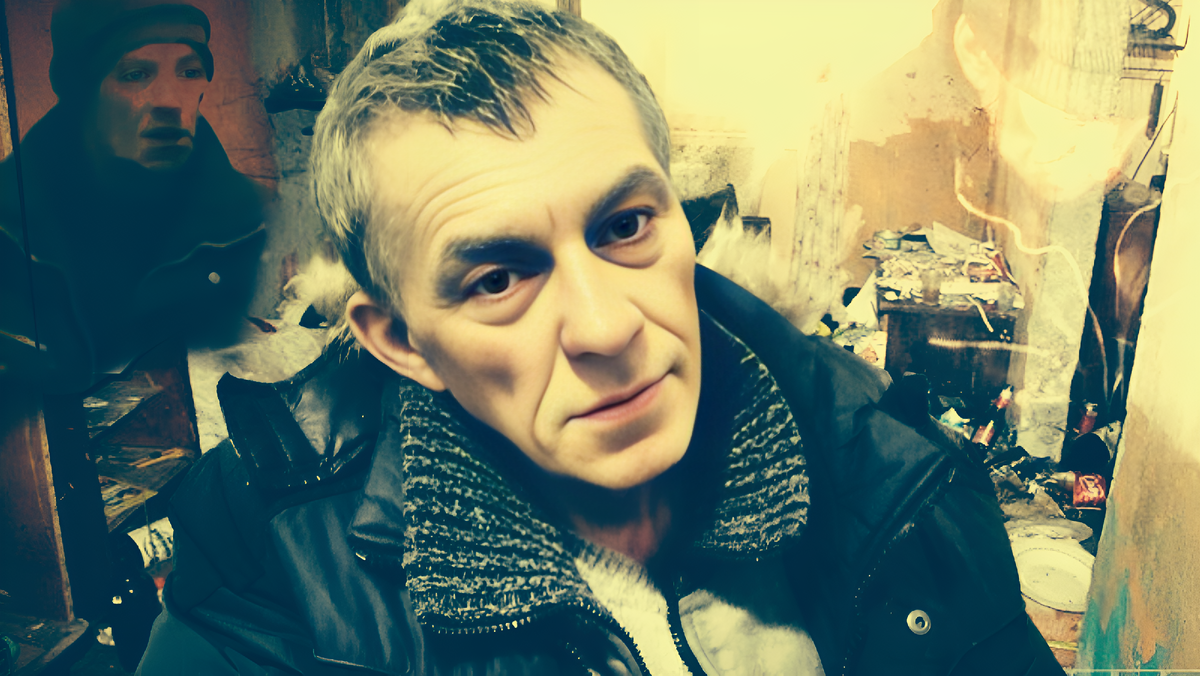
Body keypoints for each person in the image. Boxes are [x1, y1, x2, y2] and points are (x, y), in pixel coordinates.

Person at [138, 1, 1064, 674]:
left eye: (624, 227)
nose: (607, 324)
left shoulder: (891, 471)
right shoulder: (272, 563)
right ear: (401, 342)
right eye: (497, 279)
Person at [0, 0, 266, 392]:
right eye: (136, 74)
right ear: (81, 93)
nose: (170, 102)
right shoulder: (14, 229)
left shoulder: (238, 217)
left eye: (189, 72)